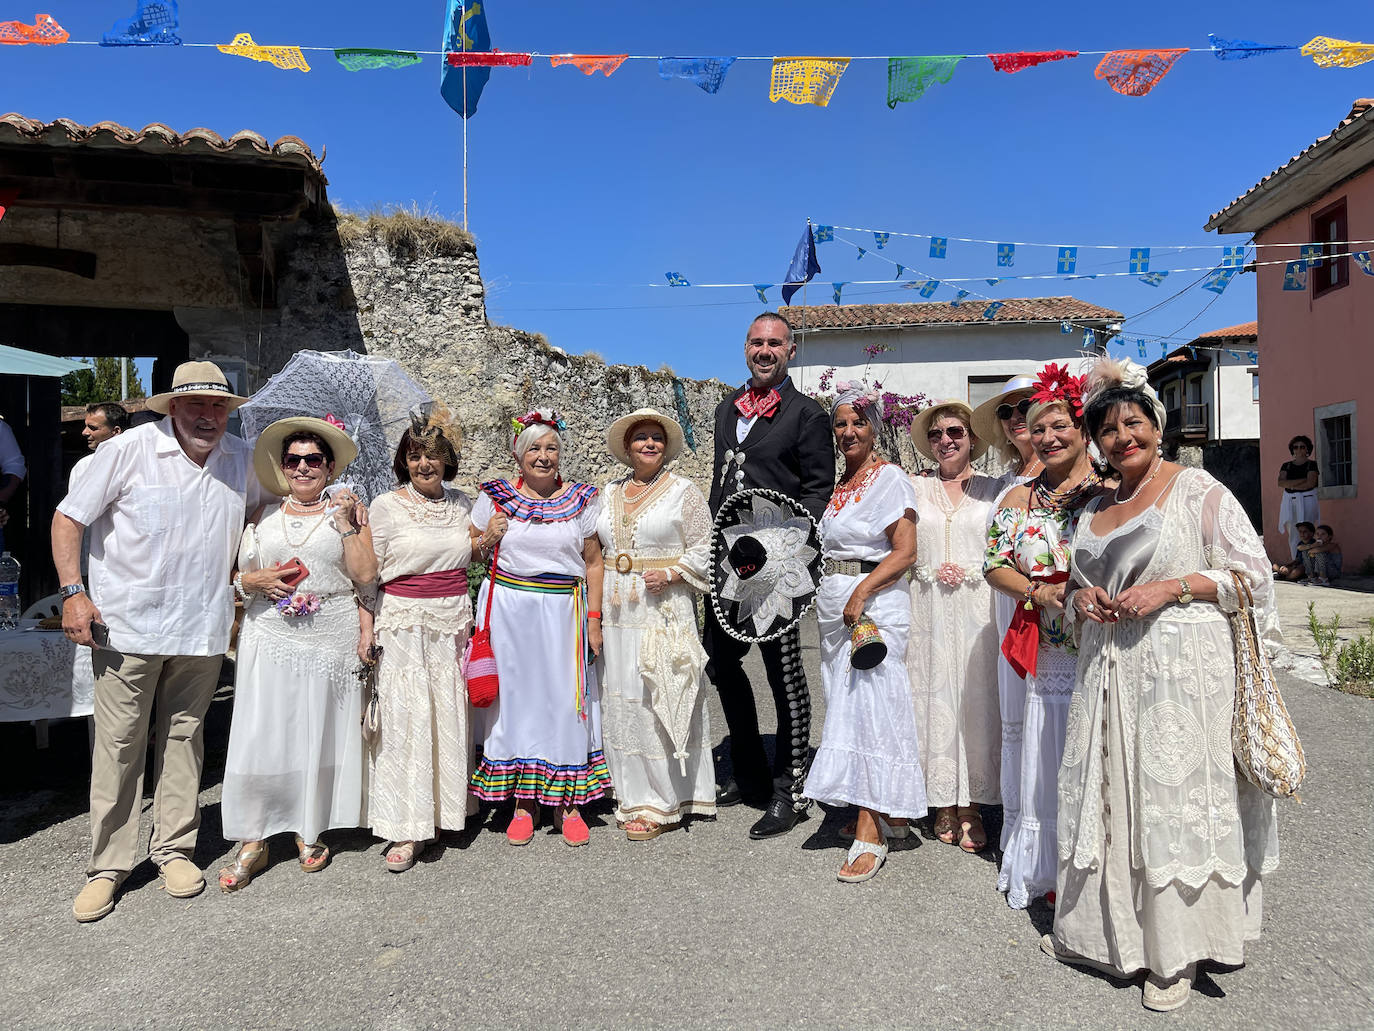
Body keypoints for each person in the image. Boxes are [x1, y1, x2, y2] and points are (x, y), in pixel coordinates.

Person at [1046, 357, 1280, 1013]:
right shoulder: (1096, 504)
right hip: (1108, 672)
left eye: (1134, 422)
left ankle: (1175, 954)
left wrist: (1172, 587)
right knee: (1111, 797)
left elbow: (1252, 577)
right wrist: (1082, 597)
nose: (1123, 437)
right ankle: (1097, 932)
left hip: (1180, 673)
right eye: (1109, 429)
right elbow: (1070, 586)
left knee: (1169, 803)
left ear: (1157, 422)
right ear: (1095, 442)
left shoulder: (1198, 490)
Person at [51, 361, 259, 923]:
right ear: (172, 407)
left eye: (218, 406)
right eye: (197, 405)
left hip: (205, 627)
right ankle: (108, 868)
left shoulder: (241, 458)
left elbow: (265, 513)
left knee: (185, 740)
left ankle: (173, 850)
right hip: (127, 627)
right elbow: (68, 519)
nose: (209, 416)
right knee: (118, 746)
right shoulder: (125, 451)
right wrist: (73, 593)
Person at [217, 418, 375, 891]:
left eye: (313, 460)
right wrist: (250, 582)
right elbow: (230, 574)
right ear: (282, 467)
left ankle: (311, 826)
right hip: (271, 631)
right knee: (263, 730)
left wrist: (348, 526)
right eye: (294, 460)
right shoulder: (259, 515)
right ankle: (254, 835)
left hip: (332, 627)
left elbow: (366, 576)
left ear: (329, 467)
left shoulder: (350, 512)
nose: (303, 468)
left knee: (320, 729)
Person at [706, 311, 834, 839]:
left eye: (775, 343)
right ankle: (751, 770)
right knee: (720, 659)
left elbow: (817, 489)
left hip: (778, 566)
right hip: (727, 563)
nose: (765, 350)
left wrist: (781, 551)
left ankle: (791, 789)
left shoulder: (807, 415)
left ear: (791, 351)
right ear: (745, 349)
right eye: (757, 342)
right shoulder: (723, 409)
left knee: (784, 676)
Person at [984, 366, 1102, 909]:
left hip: (1103, 647)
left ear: (1081, 428)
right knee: (1049, 755)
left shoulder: (1111, 492)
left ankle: (1099, 872)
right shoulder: (1015, 501)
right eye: (1038, 429)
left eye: (1060, 425)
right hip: (1048, 649)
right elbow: (993, 567)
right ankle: (1049, 869)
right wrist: (1038, 591)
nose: (1049, 437)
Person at [469, 410, 609, 847]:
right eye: (534, 448)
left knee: (564, 703)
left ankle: (568, 803)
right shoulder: (493, 498)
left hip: (562, 614)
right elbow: (471, 554)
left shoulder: (583, 500)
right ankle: (524, 803)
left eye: (551, 448)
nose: (544, 456)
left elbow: (593, 563)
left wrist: (594, 620)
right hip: (509, 610)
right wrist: (487, 537)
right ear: (518, 454)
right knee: (515, 704)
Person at [803, 383, 924, 882]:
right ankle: (878, 806)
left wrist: (860, 593)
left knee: (873, 708)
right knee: (847, 708)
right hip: (837, 606)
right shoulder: (841, 484)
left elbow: (905, 551)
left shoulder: (889, 478)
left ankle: (870, 829)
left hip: (872, 603)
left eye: (859, 422)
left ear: (875, 427)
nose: (849, 431)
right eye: (841, 423)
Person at [360, 408, 477, 872]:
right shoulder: (386, 506)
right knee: (407, 717)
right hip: (403, 623)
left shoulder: (466, 503)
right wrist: (366, 628)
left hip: (453, 622)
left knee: (448, 711)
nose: (423, 464)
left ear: (448, 459)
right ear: (403, 462)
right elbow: (368, 578)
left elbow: (484, 551)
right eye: (414, 456)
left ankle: (447, 811)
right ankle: (407, 826)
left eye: (432, 455)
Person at [595, 408, 716, 840]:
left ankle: (665, 799)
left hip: (663, 606)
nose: (649, 444)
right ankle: (627, 790)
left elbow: (706, 545)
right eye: (641, 438)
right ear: (626, 448)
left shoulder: (684, 491)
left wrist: (673, 572)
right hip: (616, 610)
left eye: (656, 438)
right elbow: (592, 549)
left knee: (660, 690)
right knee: (622, 696)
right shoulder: (606, 493)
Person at [905, 400, 1002, 852]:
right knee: (932, 699)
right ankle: (941, 798)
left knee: (975, 700)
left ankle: (973, 805)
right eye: (937, 433)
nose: (946, 440)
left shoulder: (996, 490)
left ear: (973, 438)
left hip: (978, 609)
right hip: (926, 611)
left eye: (956, 432)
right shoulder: (911, 489)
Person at [971, 374, 1043, 854]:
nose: (1017, 416)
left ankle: (1044, 837)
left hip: (1045, 610)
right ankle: (1019, 831)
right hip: (1004, 607)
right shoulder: (1004, 483)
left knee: (1047, 718)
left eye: (1027, 406)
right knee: (1014, 716)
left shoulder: (1064, 472)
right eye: (1007, 410)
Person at [1276, 435, 1319, 556]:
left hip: (1307, 500)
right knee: (1293, 532)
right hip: (1290, 501)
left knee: (1308, 530)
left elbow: (1310, 483)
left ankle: (1310, 561)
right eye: (1296, 447)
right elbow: (1280, 482)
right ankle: (1296, 560)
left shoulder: (1312, 465)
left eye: (1302, 447)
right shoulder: (1287, 466)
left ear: (1307, 449)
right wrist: (1301, 481)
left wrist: (1291, 485)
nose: (1299, 450)